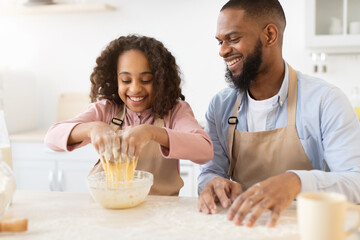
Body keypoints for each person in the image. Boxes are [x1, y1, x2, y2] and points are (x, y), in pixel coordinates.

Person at [198, 0, 360, 227]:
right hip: (243, 226)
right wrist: (213, 182)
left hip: (307, 228)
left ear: (270, 35)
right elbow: (210, 171)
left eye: (233, 39)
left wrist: (296, 181)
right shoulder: (220, 106)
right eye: (220, 42)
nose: (223, 51)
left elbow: (356, 180)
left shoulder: (325, 101)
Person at [44, 34, 213, 196]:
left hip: (161, 211)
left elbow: (205, 151)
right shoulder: (106, 110)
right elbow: (51, 138)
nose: (135, 89)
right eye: (126, 80)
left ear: (161, 80)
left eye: (146, 80)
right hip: (111, 207)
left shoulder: (175, 112)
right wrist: (91, 128)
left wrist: (152, 132)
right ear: (115, 79)